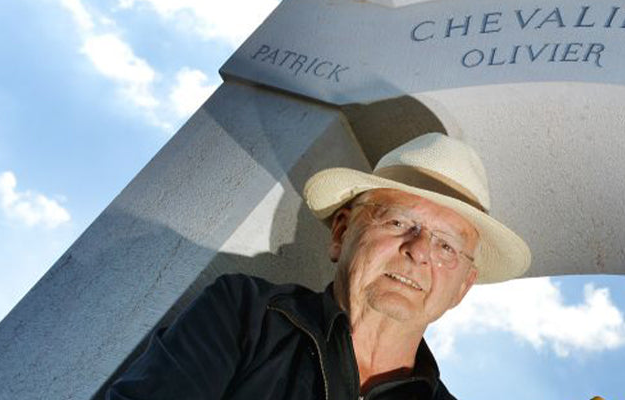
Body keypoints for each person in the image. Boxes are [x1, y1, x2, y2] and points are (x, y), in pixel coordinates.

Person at [107, 132, 531, 400]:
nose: (419, 250)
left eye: (447, 246)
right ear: (340, 232)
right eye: (400, 222)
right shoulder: (246, 313)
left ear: (462, 287)